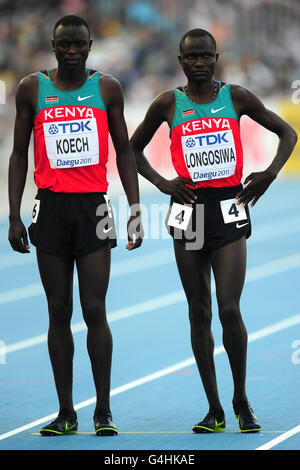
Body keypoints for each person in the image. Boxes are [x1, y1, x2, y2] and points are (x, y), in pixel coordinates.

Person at [130, 28, 297, 433]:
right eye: (191, 57)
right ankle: (214, 408)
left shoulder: (235, 96)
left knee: (228, 308)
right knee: (198, 311)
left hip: (229, 207)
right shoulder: (168, 103)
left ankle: (241, 399)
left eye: (206, 56)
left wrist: (270, 173)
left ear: (217, 56)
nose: (199, 63)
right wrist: (163, 183)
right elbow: (132, 148)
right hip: (187, 210)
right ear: (180, 60)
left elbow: (288, 133)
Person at [8, 15, 143, 437]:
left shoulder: (107, 88)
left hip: (94, 208)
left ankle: (103, 411)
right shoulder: (32, 88)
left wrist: (135, 209)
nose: (71, 51)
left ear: (89, 46)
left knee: (95, 309)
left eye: (79, 44)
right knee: (57, 311)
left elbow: (124, 152)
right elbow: (17, 154)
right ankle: (66, 411)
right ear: (52, 45)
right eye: (64, 44)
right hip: (49, 208)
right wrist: (14, 213)